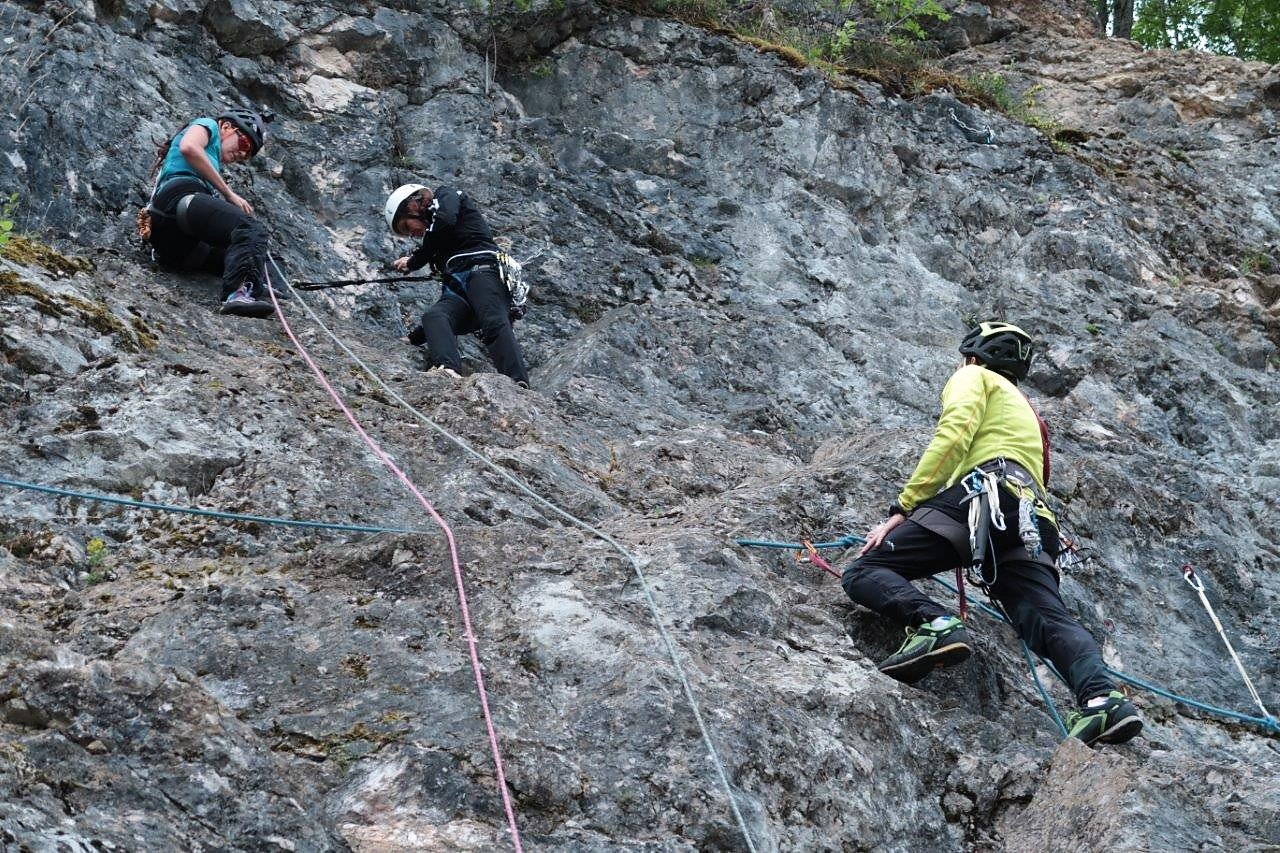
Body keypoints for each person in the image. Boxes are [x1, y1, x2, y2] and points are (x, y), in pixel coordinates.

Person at [839, 321, 1143, 747]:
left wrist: (904, 507)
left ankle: (936, 624)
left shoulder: (973, 376)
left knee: (865, 570)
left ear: (971, 356)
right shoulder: (1030, 415)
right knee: (1047, 617)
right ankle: (1102, 700)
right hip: (1033, 519)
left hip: (985, 497)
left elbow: (954, 434)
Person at [384, 183, 530, 386]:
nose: (412, 235)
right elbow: (436, 236)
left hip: (483, 271)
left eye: (407, 227)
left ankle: (518, 382)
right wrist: (413, 339)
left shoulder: (447, 195)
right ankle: (448, 372)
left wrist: (413, 262)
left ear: (412, 206)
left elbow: (445, 220)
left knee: (493, 320)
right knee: (435, 316)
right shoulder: (436, 242)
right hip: (460, 287)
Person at [141, 108, 275, 318]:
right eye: (244, 144)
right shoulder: (208, 124)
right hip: (178, 200)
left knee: (259, 253)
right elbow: (189, 147)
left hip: (179, 247)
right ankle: (237, 294)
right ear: (226, 127)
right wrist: (228, 194)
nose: (242, 154)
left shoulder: (210, 164)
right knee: (249, 228)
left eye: (247, 154)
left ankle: (263, 285)